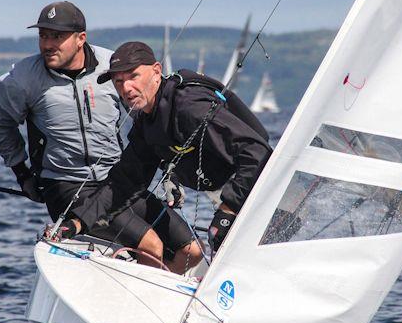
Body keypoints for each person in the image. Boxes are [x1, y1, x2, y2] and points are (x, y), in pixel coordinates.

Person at [0, 2, 199, 273]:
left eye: (57, 37)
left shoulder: (114, 68)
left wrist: (173, 172)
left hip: (117, 183)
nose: (48, 44)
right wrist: (22, 174)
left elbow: (149, 118)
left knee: (189, 250)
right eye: (43, 36)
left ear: (80, 39)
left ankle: (160, 305)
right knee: (151, 246)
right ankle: (134, 308)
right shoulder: (23, 79)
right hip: (66, 186)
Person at [68, 41, 272, 254]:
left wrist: (229, 208)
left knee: (228, 241)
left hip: (263, 179)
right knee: (220, 242)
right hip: (227, 187)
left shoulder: (189, 107)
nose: (126, 88)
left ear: (157, 71)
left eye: (133, 76)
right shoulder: (147, 123)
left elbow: (256, 152)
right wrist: (79, 222)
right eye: (118, 81)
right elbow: (125, 182)